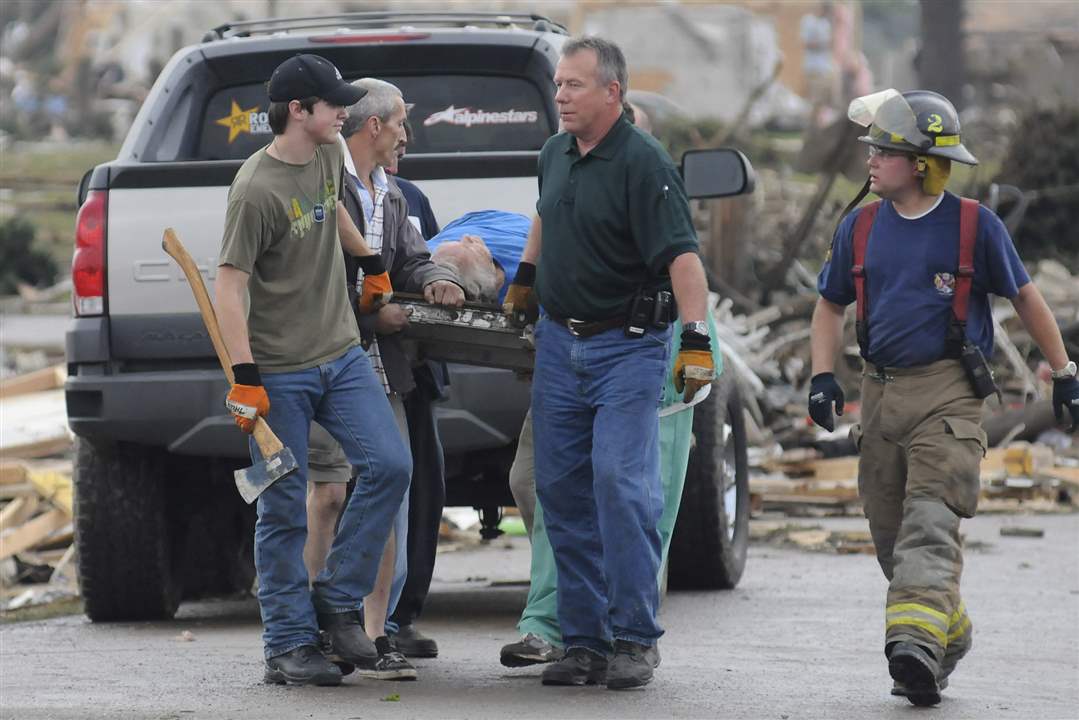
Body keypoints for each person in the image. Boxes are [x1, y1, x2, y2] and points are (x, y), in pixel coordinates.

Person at [810, 88, 1079, 706]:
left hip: (949, 395)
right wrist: (823, 377)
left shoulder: (974, 226)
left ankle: (914, 647)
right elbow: (828, 305)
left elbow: (1026, 296)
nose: (871, 159)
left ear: (922, 163)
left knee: (930, 525)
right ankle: (946, 630)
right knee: (890, 536)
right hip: (879, 397)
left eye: (884, 151)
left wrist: (1065, 372)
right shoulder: (860, 226)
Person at [500, 36, 716, 690]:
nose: (560, 95)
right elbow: (546, 214)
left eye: (574, 85)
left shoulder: (644, 163)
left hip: (627, 347)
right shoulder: (554, 153)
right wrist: (525, 278)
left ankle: (634, 638)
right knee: (560, 491)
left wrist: (696, 340)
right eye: (558, 84)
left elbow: (682, 257)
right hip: (558, 346)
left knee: (620, 485)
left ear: (611, 93)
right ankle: (584, 641)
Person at [214, 54, 412, 687]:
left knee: (391, 465)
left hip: (341, 354)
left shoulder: (330, 155)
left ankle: (336, 597)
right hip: (279, 373)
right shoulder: (255, 189)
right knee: (282, 509)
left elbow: (335, 209)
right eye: (333, 105)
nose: (344, 113)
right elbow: (228, 286)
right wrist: (245, 377)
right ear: (298, 111)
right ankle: (288, 645)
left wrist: (371, 260)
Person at [303, 77, 464, 679]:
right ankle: (320, 629)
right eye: (400, 123)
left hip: (381, 370)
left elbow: (413, 257)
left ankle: (375, 633)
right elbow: (310, 281)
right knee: (328, 495)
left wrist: (438, 278)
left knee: (388, 487)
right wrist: (371, 314)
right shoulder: (323, 183)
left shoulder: (390, 193)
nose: (405, 135)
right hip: (326, 358)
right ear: (373, 126)